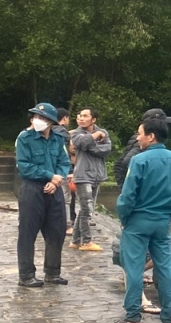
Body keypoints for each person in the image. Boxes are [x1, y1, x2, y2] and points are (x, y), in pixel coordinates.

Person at [114, 116, 171, 323]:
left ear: (151, 136)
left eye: (140, 133)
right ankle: (169, 316)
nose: (138, 138)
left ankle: (132, 316)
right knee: (165, 267)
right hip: (162, 222)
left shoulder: (139, 161)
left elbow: (128, 195)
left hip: (138, 221)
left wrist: (124, 216)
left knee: (133, 268)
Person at [14, 103, 71, 288]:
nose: (38, 120)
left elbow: (64, 162)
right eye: (36, 116)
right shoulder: (25, 138)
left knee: (57, 231)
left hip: (54, 189)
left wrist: (56, 180)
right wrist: (50, 176)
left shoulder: (57, 139)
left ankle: (53, 272)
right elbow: (24, 166)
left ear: (51, 122)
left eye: (43, 118)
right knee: (27, 233)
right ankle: (26, 274)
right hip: (32, 188)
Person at [69, 108, 112, 252]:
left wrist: (90, 145)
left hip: (97, 175)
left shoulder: (103, 132)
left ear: (93, 119)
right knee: (87, 209)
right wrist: (95, 137)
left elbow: (106, 149)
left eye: (85, 116)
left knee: (84, 209)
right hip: (83, 175)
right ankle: (87, 241)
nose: (81, 118)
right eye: (80, 116)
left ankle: (75, 241)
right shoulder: (76, 133)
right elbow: (79, 143)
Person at [114, 108, 171, 188]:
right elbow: (125, 162)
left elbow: (120, 162)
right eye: (162, 123)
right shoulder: (141, 142)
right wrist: (127, 187)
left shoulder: (142, 139)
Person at [53, 108, 73, 234]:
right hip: (60, 171)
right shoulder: (62, 133)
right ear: (65, 118)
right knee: (66, 198)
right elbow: (65, 154)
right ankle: (66, 225)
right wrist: (70, 170)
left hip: (48, 170)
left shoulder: (48, 131)